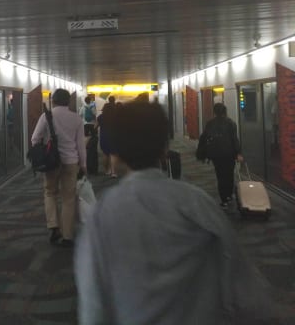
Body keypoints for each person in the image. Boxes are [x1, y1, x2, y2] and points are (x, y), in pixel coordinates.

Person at [75, 100, 268, 325]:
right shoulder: (198, 203)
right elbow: (243, 290)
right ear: (164, 149)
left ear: (115, 155)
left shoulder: (102, 215)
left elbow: (93, 308)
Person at [31, 89, 86, 247]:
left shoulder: (46, 116)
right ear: (68, 101)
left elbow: (34, 139)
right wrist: (83, 164)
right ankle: (67, 235)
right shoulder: (76, 119)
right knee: (69, 198)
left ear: (53, 101)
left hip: (51, 163)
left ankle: (54, 226)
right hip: (71, 162)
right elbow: (80, 145)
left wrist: (44, 149)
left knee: (50, 193)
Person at [202, 103, 243, 208]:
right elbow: (234, 139)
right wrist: (238, 153)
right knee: (229, 174)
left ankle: (224, 199)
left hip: (217, 154)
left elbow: (206, 139)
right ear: (225, 111)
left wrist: (206, 153)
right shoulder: (231, 123)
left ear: (214, 112)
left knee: (220, 176)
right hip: (229, 153)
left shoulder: (210, 123)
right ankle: (229, 195)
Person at [96, 95, 117, 177]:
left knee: (105, 154)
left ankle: (107, 170)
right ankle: (113, 172)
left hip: (104, 137)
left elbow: (95, 127)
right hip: (113, 137)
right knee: (113, 154)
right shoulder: (115, 117)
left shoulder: (100, 117)